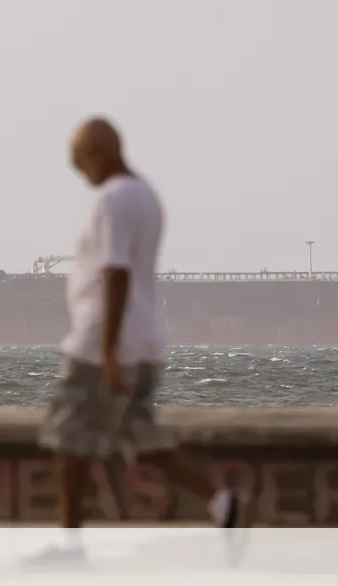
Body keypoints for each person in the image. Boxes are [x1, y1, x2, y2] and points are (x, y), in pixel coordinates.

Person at [30, 116, 246, 562]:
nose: (83, 177)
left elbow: (115, 272)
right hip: (146, 342)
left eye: (81, 165)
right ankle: (221, 503)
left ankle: (70, 544)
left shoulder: (112, 200)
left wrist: (107, 349)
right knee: (141, 439)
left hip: (101, 342)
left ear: (97, 153)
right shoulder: (147, 196)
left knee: (68, 438)